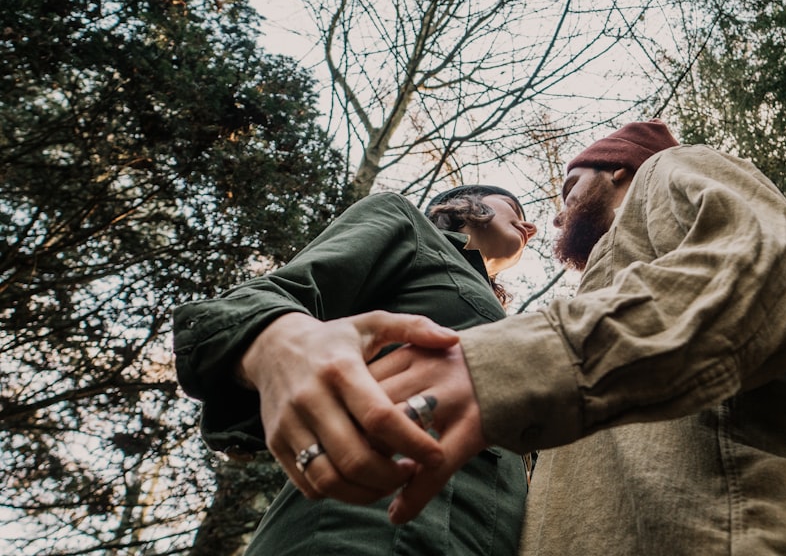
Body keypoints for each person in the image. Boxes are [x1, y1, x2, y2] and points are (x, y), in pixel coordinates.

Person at [370, 120, 786, 555]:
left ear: (616, 168)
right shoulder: (605, 291)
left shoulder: (667, 172)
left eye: (567, 189)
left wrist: (500, 371)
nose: (555, 217)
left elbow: (763, 269)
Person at [172, 185, 538, 555]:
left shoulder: (513, 328)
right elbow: (256, 301)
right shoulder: (409, 226)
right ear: (465, 204)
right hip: (359, 531)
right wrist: (277, 341)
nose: (530, 226)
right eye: (511, 205)